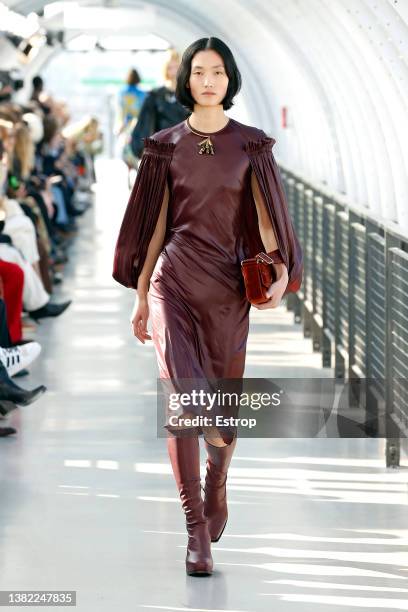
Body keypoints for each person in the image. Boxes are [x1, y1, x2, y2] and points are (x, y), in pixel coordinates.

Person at [112, 37, 303, 577]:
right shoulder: (165, 145)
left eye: (218, 71)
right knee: (184, 401)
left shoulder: (251, 146)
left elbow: (268, 225)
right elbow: (155, 228)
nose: (209, 80)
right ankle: (196, 532)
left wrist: (282, 268)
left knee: (220, 405)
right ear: (186, 80)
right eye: (199, 71)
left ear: (230, 79)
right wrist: (141, 293)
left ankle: (216, 481)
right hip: (173, 281)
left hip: (226, 287)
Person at [130, 49, 189, 159]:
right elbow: (144, 124)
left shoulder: (190, 96)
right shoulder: (154, 96)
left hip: (184, 153)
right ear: (165, 70)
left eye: (177, 67)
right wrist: (143, 150)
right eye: (170, 68)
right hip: (160, 153)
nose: (174, 72)